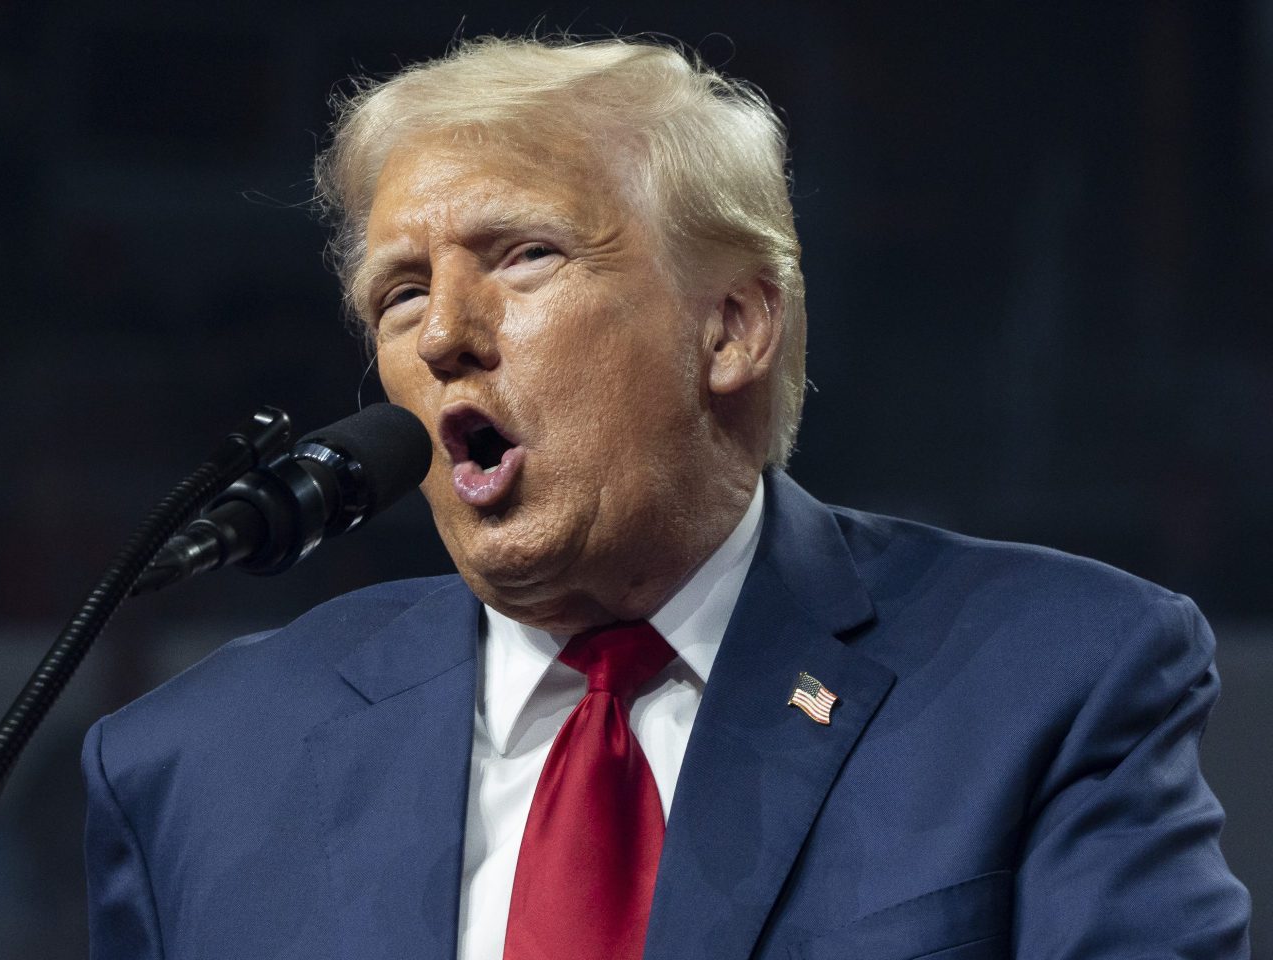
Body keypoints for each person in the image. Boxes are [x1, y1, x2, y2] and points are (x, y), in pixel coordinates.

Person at [82, 36, 1250, 960]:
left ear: (733, 326)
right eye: (397, 295)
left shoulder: (1051, 682)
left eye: (525, 254)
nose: (442, 333)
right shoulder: (198, 767)